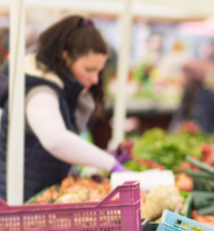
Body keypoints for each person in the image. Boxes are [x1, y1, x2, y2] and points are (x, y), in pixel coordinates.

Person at [0, 15, 126, 202]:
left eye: (99, 71)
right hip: (16, 202)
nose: (95, 79)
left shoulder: (56, 86)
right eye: (89, 69)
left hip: (33, 197)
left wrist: (103, 157)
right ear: (65, 56)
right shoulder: (40, 90)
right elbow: (56, 140)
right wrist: (112, 164)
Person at [170, 63, 214, 134]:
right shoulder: (187, 95)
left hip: (205, 136)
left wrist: (210, 135)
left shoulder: (208, 95)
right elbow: (178, 118)